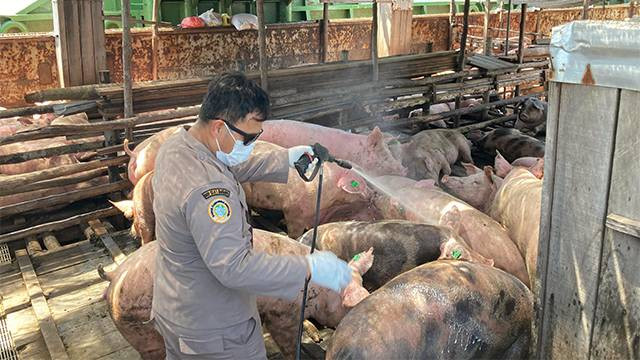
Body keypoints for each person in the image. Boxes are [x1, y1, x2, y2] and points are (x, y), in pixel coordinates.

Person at [150, 72, 353, 359]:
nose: (251, 145)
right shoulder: (210, 193)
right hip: (215, 330)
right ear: (220, 127)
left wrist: (286, 158)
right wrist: (309, 267)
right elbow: (235, 268)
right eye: (247, 138)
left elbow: (224, 169)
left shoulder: (180, 146)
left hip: (177, 307)